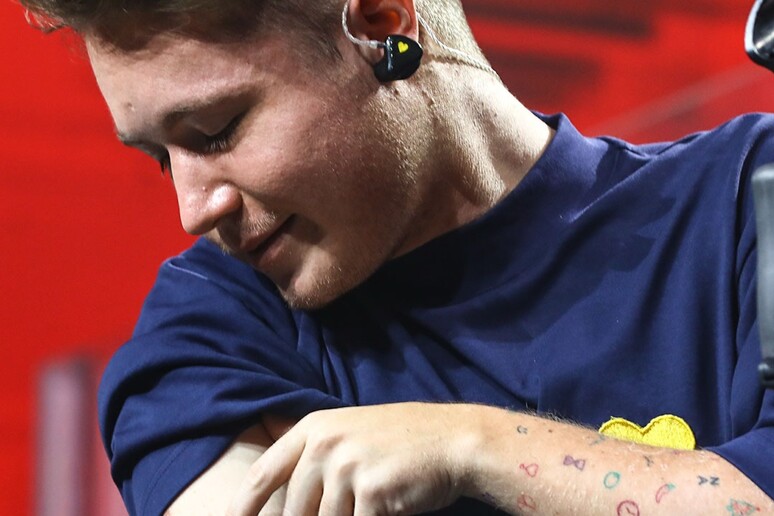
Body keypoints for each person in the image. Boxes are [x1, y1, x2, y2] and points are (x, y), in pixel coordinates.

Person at [21, 0, 774, 514]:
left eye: (218, 131)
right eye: (162, 157)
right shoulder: (208, 331)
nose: (193, 209)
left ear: (382, 21)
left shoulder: (748, 193)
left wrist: (470, 447)